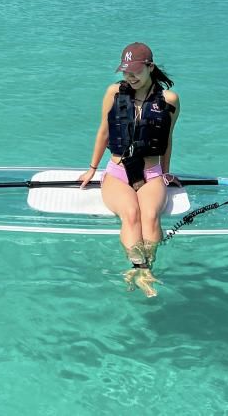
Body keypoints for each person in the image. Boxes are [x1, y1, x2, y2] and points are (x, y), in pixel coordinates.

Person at [78, 43, 180, 297]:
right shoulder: (114, 92)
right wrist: (92, 169)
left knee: (150, 216)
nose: (130, 77)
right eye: (126, 72)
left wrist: (166, 172)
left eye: (135, 72)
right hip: (118, 172)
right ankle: (136, 266)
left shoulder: (169, 100)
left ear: (150, 67)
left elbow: (167, 139)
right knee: (131, 213)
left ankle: (147, 270)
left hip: (151, 173)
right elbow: (103, 131)